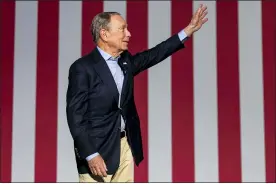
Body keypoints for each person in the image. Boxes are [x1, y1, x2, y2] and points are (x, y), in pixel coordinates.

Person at [66, 4, 208, 182]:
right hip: (97, 151)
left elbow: (154, 55)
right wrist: (90, 154)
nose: (129, 34)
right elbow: (75, 117)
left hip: (124, 146)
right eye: (122, 29)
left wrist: (187, 31)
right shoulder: (82, 68)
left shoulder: (125, 62)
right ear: (104, 34)